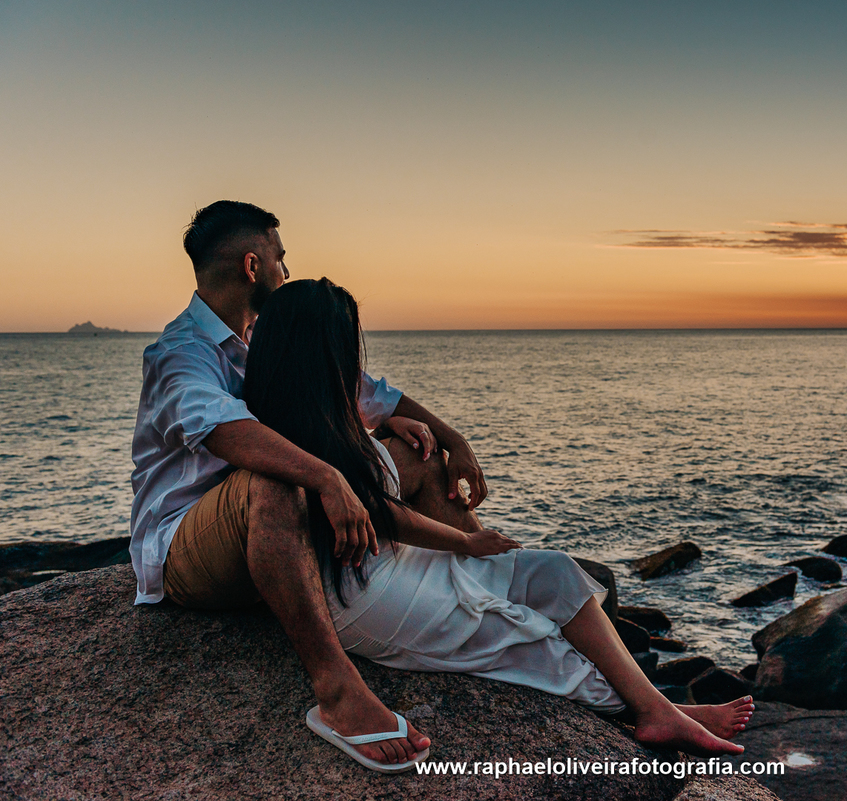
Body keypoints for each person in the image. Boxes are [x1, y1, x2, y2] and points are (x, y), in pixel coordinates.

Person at [129, 201, 750, 772]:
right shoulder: (183, 351)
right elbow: (223, 431)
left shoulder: (272, 334)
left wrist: (451, 439)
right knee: (274, 481)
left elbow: (369, 392)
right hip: (196, 545)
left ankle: (511, 595)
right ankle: (339, 691)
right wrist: (327, 477)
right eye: (281, 257)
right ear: (252, 262)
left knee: (414, 452)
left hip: (307, 534)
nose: (287, 269)